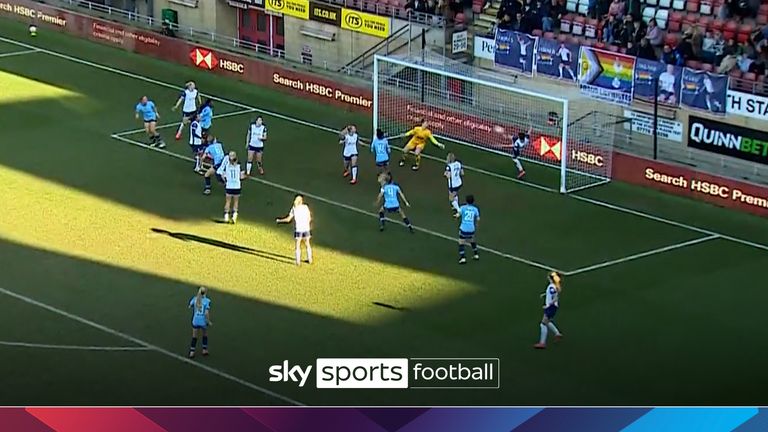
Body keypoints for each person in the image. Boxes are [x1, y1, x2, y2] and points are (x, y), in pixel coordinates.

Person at [276, 194, 313, 266]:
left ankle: (298, 262)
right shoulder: (305, 207)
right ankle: (310, 259)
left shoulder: (294, 208)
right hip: (306, 229)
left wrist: (279, 220)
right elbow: (309, 218)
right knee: (307, 244)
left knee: (298, 245)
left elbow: (288, 219)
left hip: (299, 229)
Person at [534, 272, 563, 349]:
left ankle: (542, 343)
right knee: (548, 321)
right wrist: (545, 294)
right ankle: (557, 334)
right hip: (553, 307)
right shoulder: (555, 285)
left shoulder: (551, 287)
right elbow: (555, 294)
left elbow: (555, 297)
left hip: (551, 307)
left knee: (543, 324)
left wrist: (548, 305)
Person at [217, 151, 246, 224]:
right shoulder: (239, 166)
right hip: (237, 186)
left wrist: (225, 181)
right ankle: (234, 217)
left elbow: (222, 175)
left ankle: (226, 217)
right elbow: (241, 176)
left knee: (228, 202)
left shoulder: (227, 166)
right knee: (236, 202)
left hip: (229, 186)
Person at [188, 286, 212, 358]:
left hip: (195, 320)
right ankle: (204, 350)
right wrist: (208, 321)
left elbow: (190, 306)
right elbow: (206, 313)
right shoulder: (207, 301)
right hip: (203, 321)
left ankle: (192, 352)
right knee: (204, 335)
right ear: (205, 293)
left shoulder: (195, 299)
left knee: (194, 336)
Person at [457, 194, 480, 264]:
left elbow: (458, 215)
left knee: (461, 242)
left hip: (463, 228)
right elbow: (478, 219)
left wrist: (456, 216)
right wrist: (476, 226)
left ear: (466, 201)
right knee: (472, 240)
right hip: (471, 228)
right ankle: (476, 254)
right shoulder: (475, 209)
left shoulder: (463, 207)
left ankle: (463, 258)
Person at [445, 153, 464, 217]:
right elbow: (462, 173)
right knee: (455, 195)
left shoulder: (449, 166)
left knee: (451, 198)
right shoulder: (458, 163)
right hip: (459, 183)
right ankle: (455, 206)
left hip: (453, 185)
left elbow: (448, 176)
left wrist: (446, 173)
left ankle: (459, 210)